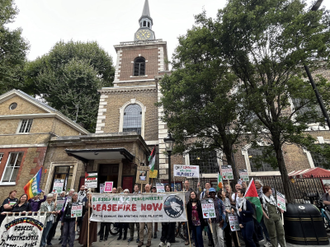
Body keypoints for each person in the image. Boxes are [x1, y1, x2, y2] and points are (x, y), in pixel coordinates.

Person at [184, 180, 194, 245]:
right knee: (186, 226)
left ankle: (193, 239)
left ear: (189, 184)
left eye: (187, 183)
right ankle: (187, 239)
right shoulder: (182, 191)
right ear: (184, 184)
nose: (186, 184)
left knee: (192, 224)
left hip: (191, 209)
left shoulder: (191, 191)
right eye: (185, 183)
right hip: (185, 209)